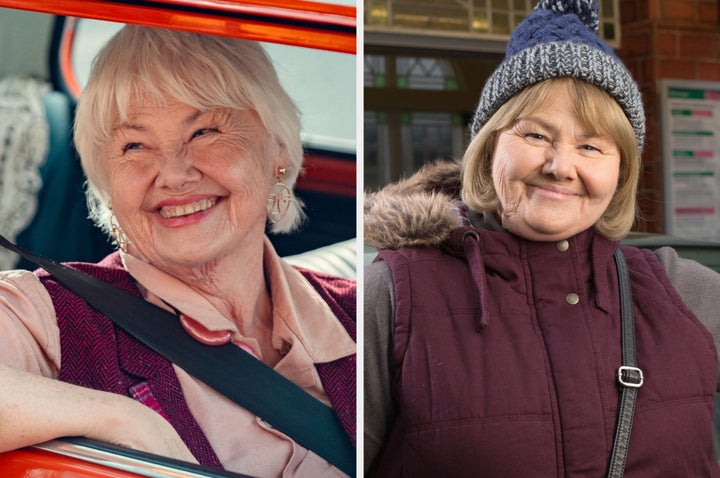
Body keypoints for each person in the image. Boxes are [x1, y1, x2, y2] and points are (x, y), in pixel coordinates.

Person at [364, 1, 720, 476]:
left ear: (621, 170)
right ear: (490, 146)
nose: (561, 166)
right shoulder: (393, 295)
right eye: (535, 136)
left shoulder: (689, 293)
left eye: (591, 146)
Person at [0, 26, 356, 477]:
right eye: (134, 145)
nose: (173, 173)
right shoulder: (45, 315)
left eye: (205, 131)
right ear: (107, 181)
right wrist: (122, 421)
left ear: (277, 151)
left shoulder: (365, 313)